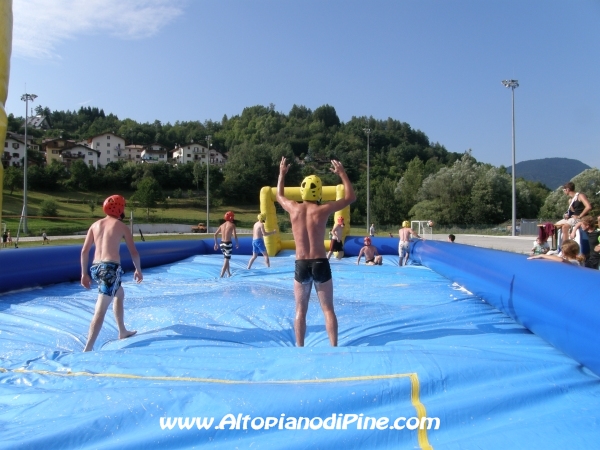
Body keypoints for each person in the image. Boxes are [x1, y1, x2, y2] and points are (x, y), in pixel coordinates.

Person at [276, 156, 356, 347]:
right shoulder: (324, 209)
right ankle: (333, 346)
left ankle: (300, 347)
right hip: (320, 262)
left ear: (302, 191)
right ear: (319, 192)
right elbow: (350, 197)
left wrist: (282, 173)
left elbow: (279, 196)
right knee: (328, 309)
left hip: (301, 264)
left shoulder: (293, 209)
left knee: (300, 310)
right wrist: (342, 174)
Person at [80, 195, 142, 352]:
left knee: (119, 293)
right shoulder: (121, 226)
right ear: (121, 209)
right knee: (100, 309)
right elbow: (133, 252)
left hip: (96, 268)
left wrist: (84, 274)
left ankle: (122, 331)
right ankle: (88, 348)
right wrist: (138, 270)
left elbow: (84, 251)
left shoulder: (95, 225)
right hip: (110, 269)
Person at [214, 211, 239, 277]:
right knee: (226, 259)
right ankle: (221, 275)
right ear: (231, 217)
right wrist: (237, 243)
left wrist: (216, 244)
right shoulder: (232, 225)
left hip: (221, 243)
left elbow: (215, 234)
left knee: (226, 258)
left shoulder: (222, 225)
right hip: (228, 243)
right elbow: (235, 235)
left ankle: (228, 273)